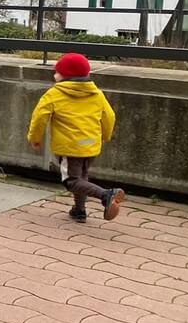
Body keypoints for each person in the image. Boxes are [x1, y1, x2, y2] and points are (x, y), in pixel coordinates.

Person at [27, 52, 123, 222]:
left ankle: (106, 195)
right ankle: (79, 210)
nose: (54, 74)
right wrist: (105, 136)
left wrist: (35, 138)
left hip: (70, 147)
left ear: (64, 76)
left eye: (57, 71)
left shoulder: (54, 93)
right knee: (82, 177)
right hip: (91, 145)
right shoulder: (96, 93)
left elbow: (39, 117)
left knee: (71, 181)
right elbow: (109, 116)